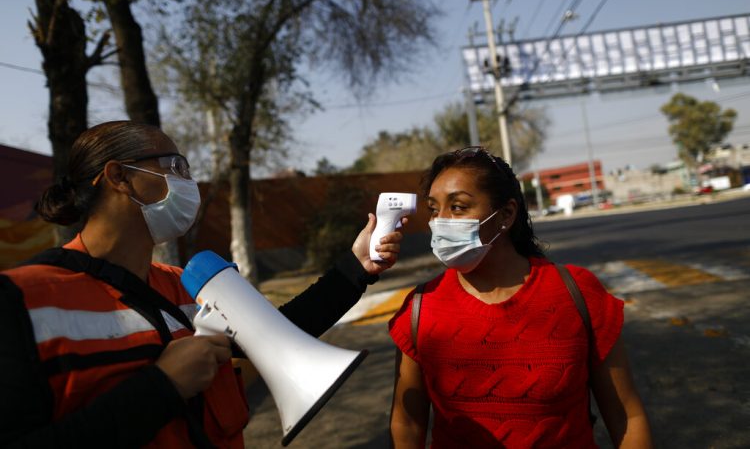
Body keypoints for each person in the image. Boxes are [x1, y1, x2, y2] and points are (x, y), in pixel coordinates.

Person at [0, 120, 405, 448]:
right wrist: (162, 387)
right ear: (119, 177)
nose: (188, 182)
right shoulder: (24, 300)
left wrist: (356, 268)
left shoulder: (183, 285)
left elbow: (278, 336)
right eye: (174, 167)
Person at [388, 147, 652, 448]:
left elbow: (626, 417)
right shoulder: (421, 307)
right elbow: (407, 423)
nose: (441, 221)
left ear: (506, 214)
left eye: (459, 207)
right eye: (434, 209)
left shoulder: (577, 291)